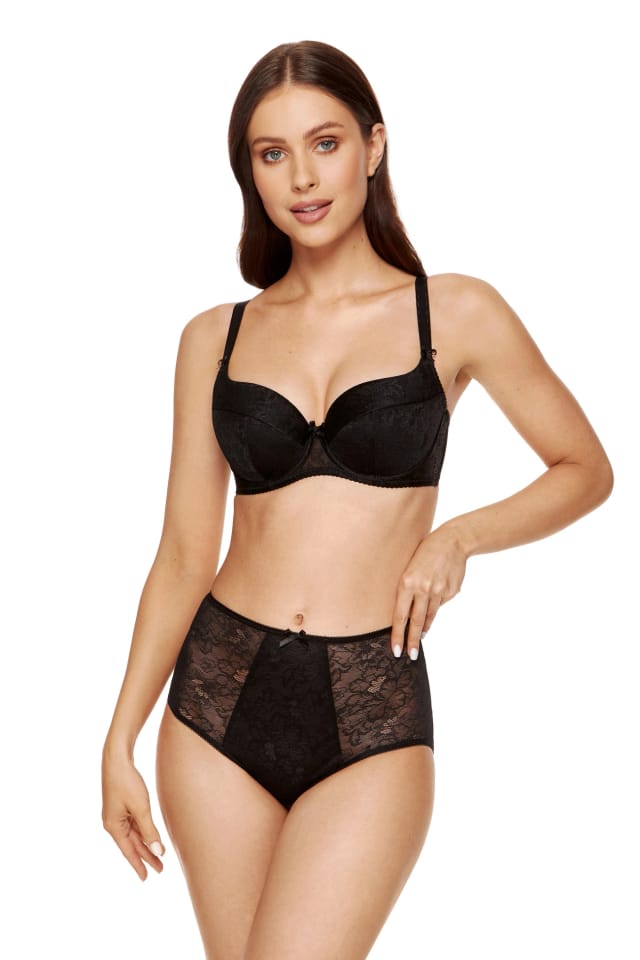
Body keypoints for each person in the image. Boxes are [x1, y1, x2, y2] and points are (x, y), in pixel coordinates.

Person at [101, 39, 613, 960]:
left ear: (374, 147)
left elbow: (585, 467)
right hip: (216, 698)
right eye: (272, 153)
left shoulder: (454, 311)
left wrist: (458, 538)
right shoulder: (213, 337)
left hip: (373, 704)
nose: (302, 177)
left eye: (326, 143)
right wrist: (118, 740)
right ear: (250, 173)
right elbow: (182, 554)